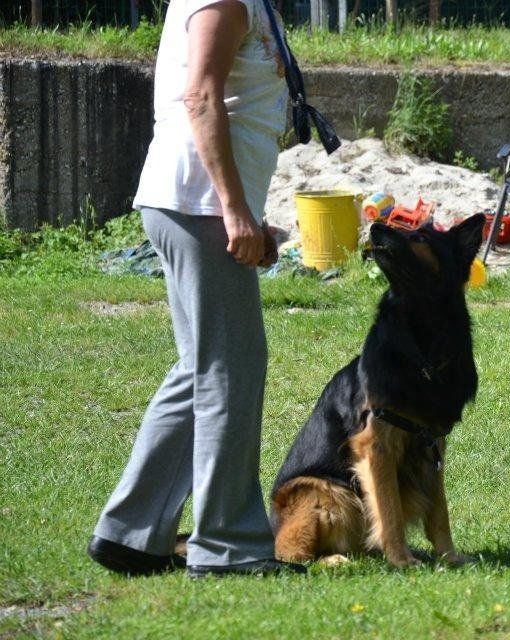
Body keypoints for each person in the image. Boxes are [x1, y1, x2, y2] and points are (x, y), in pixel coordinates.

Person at [87, 0, 304, 578]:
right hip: (198, 204)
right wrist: (233, 209)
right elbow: (201, 97)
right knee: (231, 367)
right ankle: (228, 547)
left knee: (202, 368)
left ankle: (131, 535)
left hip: (197, 204)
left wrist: (247, 213)